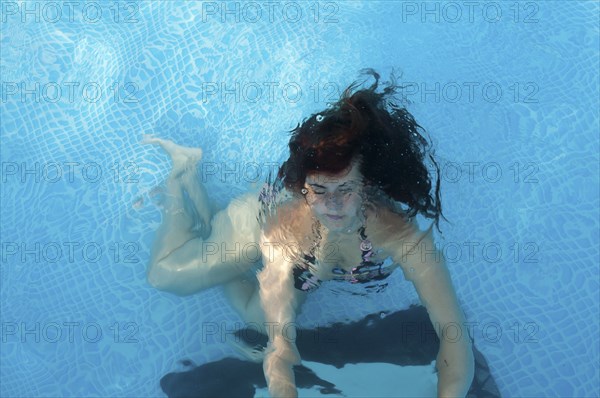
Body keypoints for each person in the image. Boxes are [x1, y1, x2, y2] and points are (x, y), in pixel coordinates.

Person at [143, 70, 475, 397]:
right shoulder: (287, 228)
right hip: (264, 223)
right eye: (318, 189)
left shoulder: (402, 237)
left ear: (367, 185)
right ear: (303, 186)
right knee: (166, 276)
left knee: (256, 319)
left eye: (344, 188)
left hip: (312, 257)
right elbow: (279, 348)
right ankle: (182, 180)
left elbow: (453, 333)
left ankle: (209, 218)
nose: (332, 204)